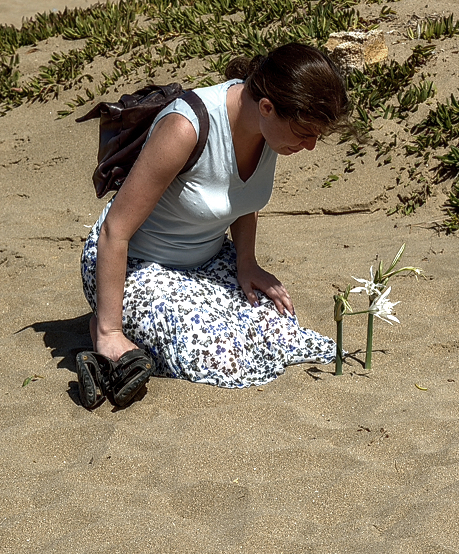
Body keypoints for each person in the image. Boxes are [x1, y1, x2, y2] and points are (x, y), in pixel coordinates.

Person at [77, 42, 350, 408]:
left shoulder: (272, 132)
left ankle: (147, 336)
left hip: (207, 261)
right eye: (305, 132)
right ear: (267, 107)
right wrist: (111, 330)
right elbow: (115, 230)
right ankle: (104, 328)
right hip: (136, 266)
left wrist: (246, 263)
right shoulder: (185, 127)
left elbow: (243, 196)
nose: (311, 145)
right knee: (223, 359)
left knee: (281, 331)